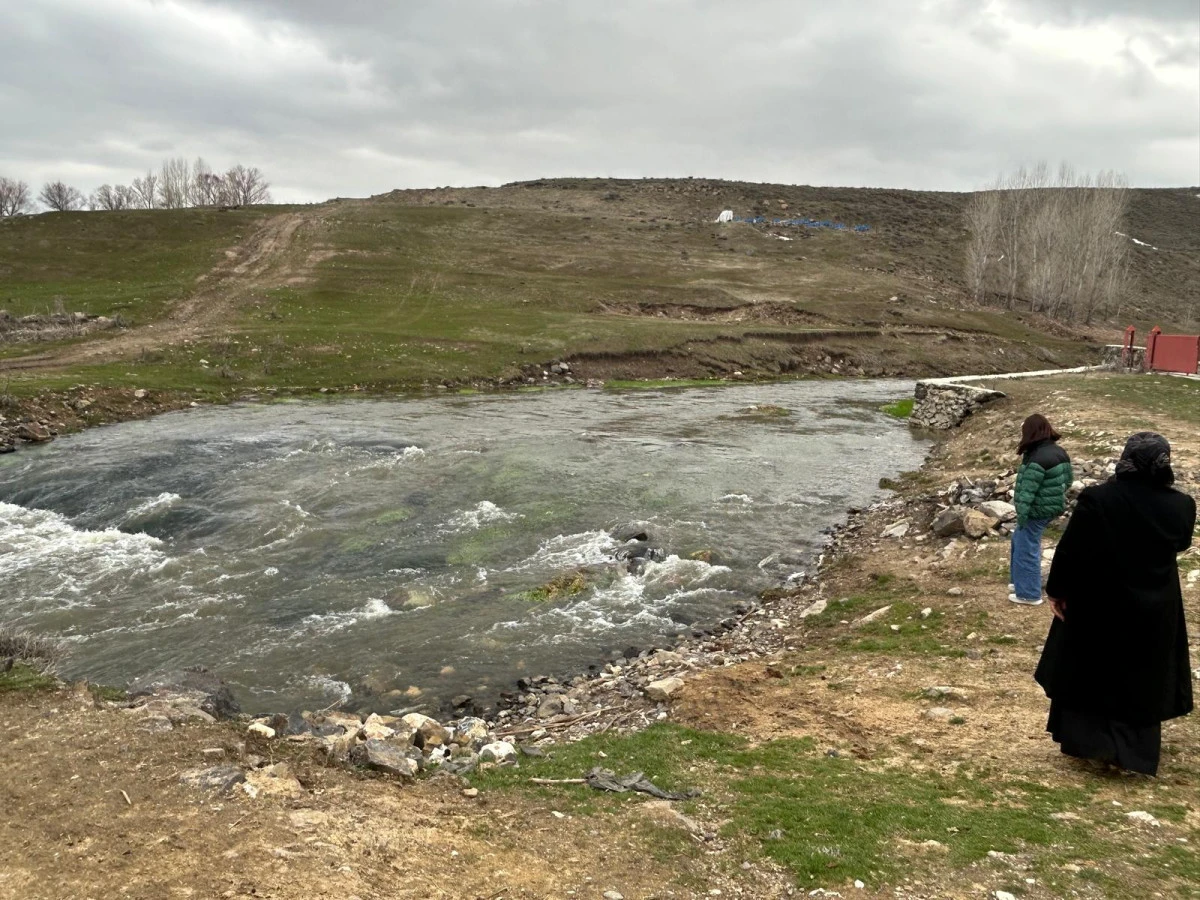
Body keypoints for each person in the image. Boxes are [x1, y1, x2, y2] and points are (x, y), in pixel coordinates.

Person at [1035, 432, 1196, 776]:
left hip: (1099, 601)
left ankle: (1091, 745)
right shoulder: (1182, 505)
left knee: (1093, 670)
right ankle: (1135, 754)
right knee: (1143, 675)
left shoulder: (1099, 499)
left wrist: (1057, 590)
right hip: (1155, 605)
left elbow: (1071, 550)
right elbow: (1180, 543)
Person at [1010, 414, 1072, 605]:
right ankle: (1018, 582)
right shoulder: (1059, 451)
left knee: (1026, 548)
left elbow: (1027, 491)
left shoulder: (1037, 458)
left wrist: (1022, 514)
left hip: (1035, 511)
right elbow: (1068, 481)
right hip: (1050, 508)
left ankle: (1029, 594)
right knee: (1019, 541)